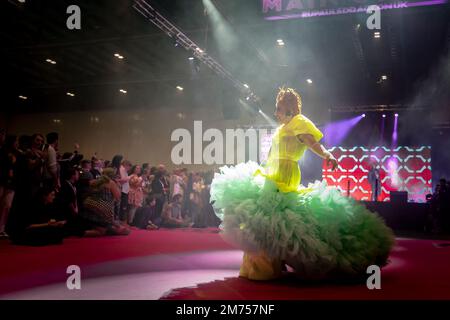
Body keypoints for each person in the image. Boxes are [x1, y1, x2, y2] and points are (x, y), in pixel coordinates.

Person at [210, 87, 395, 281]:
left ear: (290, 108)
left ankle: (266, 266)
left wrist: (327, 155)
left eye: (279, 108)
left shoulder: (299, 122)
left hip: (285, 173)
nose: (276, 113)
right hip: (272, 172)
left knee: (270, 215)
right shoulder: (283, 127)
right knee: (263, 216)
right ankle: (263, 263)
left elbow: (312, 142)